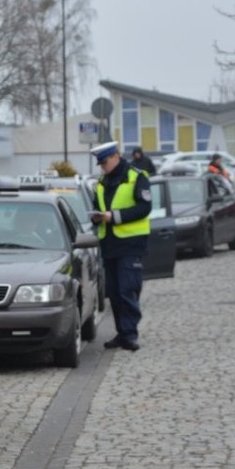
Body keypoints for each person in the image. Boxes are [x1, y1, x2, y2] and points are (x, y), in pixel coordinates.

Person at [90, 141, 152, 351]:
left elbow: (144, 208)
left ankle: (129, 334)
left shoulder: (136, 176)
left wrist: (114, 216)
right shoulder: (101, 182)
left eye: (105, 162)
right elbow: (96, 208)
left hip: (130, 244)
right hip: (109, 245)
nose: (103, 166)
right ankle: (121, 331)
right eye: (100, 164)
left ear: (116, 156)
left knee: (128, 290)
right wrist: (97, 218)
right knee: (114, 293)